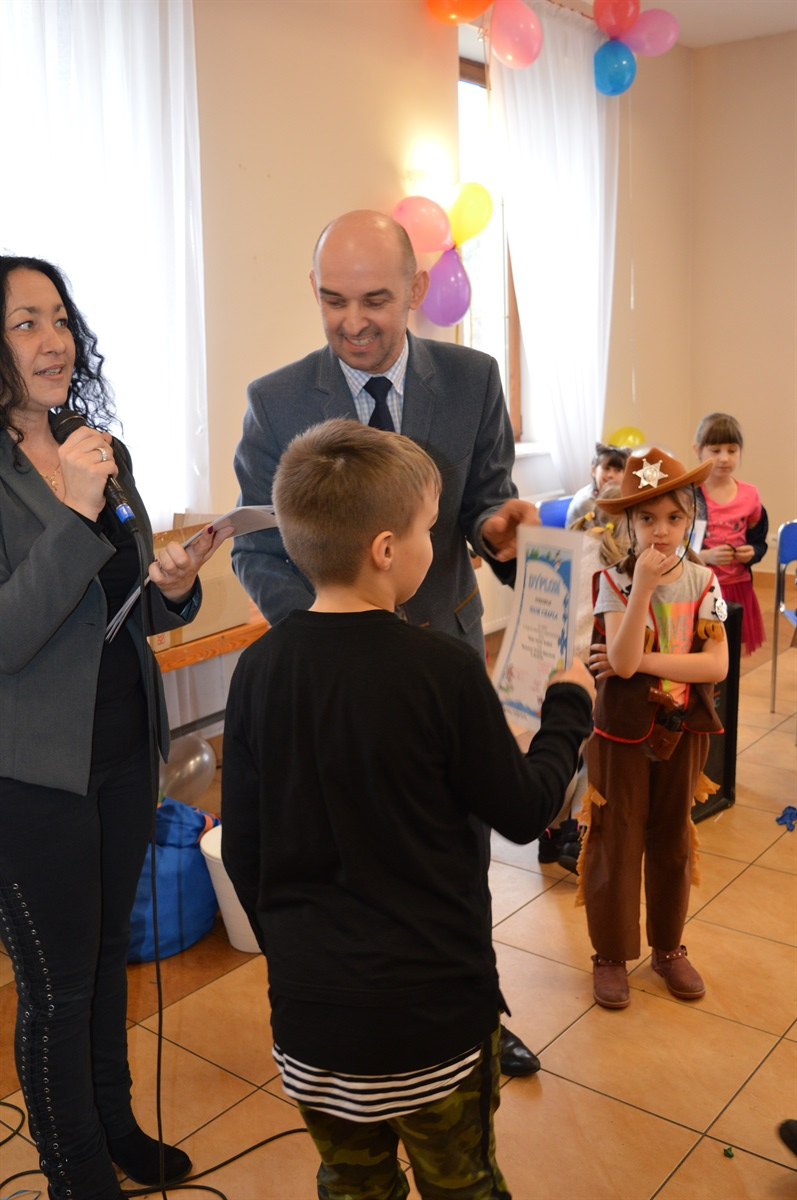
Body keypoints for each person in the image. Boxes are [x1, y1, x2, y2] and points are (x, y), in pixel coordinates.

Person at [221, 418, 595, 1200]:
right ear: (386, 550)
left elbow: (245, 850)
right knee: (462, 1184)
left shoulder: (256, 670)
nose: (436, 542)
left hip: (312, 1024)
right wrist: (567, 709)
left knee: (352, 1185)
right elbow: (524, 809)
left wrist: (300, 963)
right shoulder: (442, 670)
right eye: (429, 528)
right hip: (431, 1023)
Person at [232, 208, 541, 1076]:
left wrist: (497, 528)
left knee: (456, 852)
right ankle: (342, 1018)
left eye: (374, 300)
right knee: (349, 850)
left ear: (415, 289)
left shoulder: (473, 379)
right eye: (332, 300)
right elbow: (257, 547)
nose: (352, 322)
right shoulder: (274, 402)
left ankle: (475, 1011)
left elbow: (485, 501)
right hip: (329, 675)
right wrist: (338, 630)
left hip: (443, 655)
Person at [0, 256, 232, 1200]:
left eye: (60, 319)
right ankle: (76, 1174)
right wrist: (69, 511)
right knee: (56, 987)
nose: (54, 340)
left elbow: (127, 603)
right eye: (25, 323)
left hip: (127, 748)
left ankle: (113, 1123)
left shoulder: (100, 450)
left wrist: (173, 586)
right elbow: (8, 635)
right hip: (31, 776)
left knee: (106, 958)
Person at [575, 448, 729, 1010]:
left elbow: (716, 666)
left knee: (672, 840)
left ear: (690, 519)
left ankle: (668, 947)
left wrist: (641, 662)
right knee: (616, 839)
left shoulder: (706, 582)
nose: (660, 531)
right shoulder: (613, 583)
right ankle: (611, 954)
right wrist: (641, 588)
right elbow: (617, 660)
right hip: (621, 735)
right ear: (628, 524)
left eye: (672, 517)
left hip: (681, 730)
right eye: (646, 518)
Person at [538, 488, 630, 873]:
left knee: (562, 748)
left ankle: (549, 832)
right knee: (594, 751)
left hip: (550, 662)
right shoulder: (621, 563)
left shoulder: (567, 548)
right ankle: (577, 831)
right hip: (595, 667)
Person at [692, 412, 768, 654]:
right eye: (715, 450)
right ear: (697, 450)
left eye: (732, 450)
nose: (724, 458)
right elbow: (677, 548)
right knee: (701, 649)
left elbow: (758, 541)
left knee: (731, 651)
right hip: (702, 588)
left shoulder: (750, 495)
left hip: (738, 587)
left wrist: (752, 552)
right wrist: (706, 556)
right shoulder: (689, 496)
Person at [564, 442, 631, 529]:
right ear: (593, 471)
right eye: (606, 468)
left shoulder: (621, 495)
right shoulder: (586, 501)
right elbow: (606, 533)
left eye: (617, 470)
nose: (611, 475)